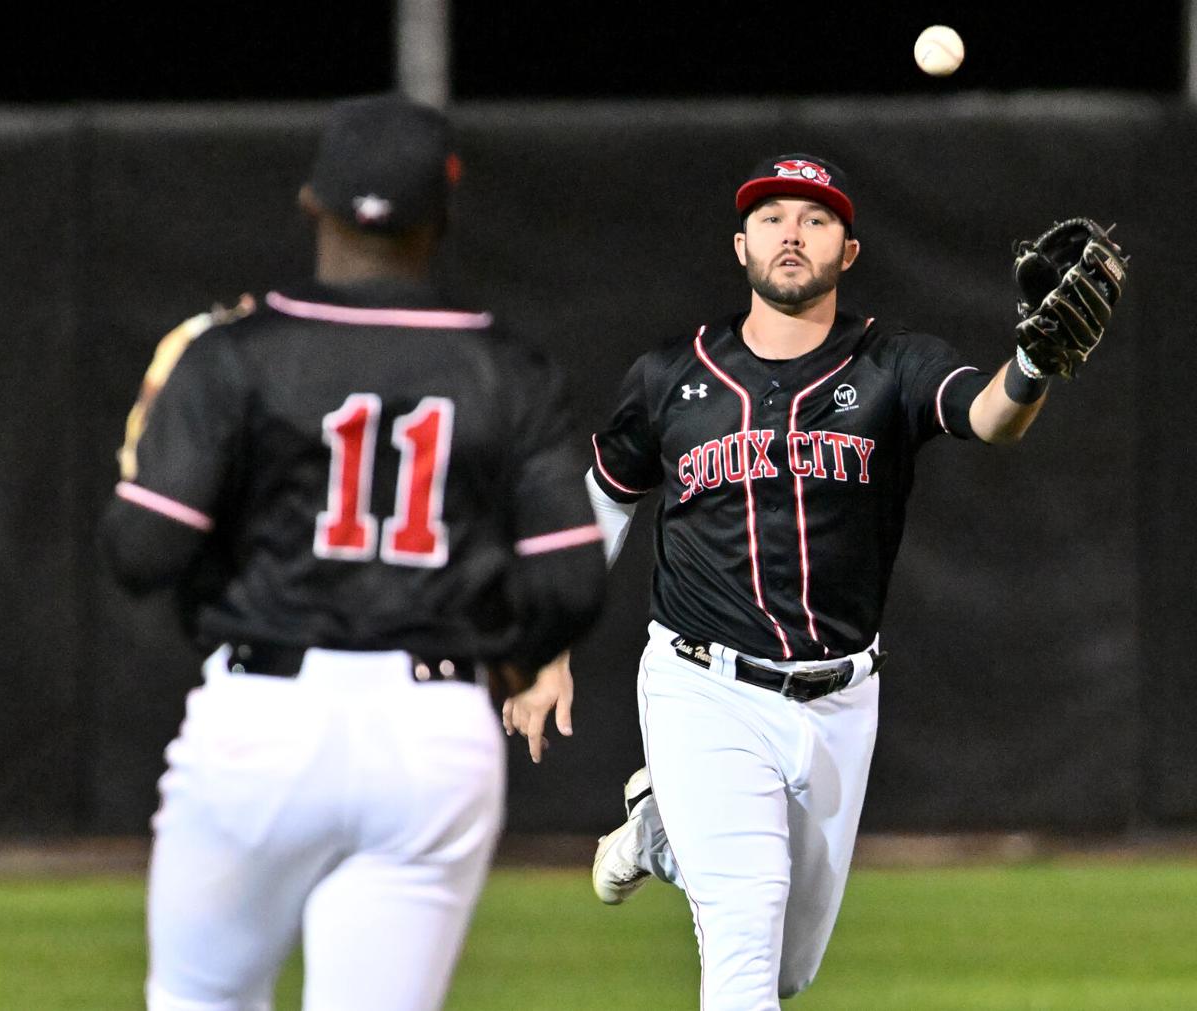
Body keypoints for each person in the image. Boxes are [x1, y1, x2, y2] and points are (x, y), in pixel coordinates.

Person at [568, 154, 1125, 1008]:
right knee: (744, 959)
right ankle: (693, 815)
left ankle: (666, 831)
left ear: (849, 251)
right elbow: (604, 503)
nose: (792, 231)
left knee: (788, 969)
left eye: (816, 218)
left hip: (838, 699)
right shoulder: (671, 379)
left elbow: (988, 417)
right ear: (741, 244)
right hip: (701, 684)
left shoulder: (891, 364)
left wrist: (1033, 366)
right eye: (772, 216)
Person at [99, 93, 606, 1011]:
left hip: (263, 716)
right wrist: (489, 626)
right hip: (433, 728)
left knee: (199, 1000)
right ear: (442, 217)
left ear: (311, 202)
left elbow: (141, 551)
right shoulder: (507, 368)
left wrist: (150, 466)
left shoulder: (234, 355)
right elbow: (572, 582)